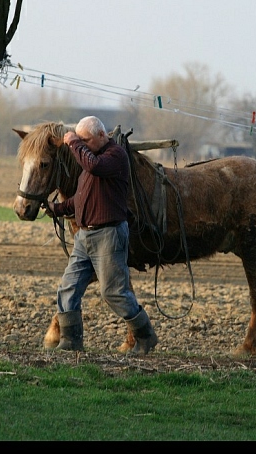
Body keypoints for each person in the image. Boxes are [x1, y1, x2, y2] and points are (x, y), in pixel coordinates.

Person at [44, 116, 158, 355]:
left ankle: (145, 336)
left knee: (114, 292)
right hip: (85, 238)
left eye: (85, 140)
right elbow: (80, 198)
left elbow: (93, 165)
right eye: (80, 140)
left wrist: (74, 143)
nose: (82, 144)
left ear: (102, 136)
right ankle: (71, 340)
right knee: (68, 287)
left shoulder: (114, 157)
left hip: (109, 235)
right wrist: (56, 209)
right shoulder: (90, 163)